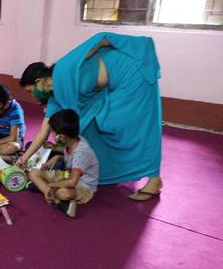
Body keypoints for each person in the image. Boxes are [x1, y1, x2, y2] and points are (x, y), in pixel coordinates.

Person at [16, 32, 163, 201]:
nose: (33, 95)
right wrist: (22, 160)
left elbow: (100, 41)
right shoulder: (56, 97)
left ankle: (154, 180)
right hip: (113, 87)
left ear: (38, 81)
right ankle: (113, 168)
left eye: (30, 90)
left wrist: (127, 47)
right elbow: (43, 132)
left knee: (135, 127)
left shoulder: (63, 69)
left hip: (130, 72)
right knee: (93, 127)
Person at [27, 109, 99, 218]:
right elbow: (70, 156)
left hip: (83, 187)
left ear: (61, 136)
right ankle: (51, 194)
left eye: (53, 132)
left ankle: (48, 191)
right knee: (33, 172)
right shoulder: (73, 141)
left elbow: (72, 183)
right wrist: (57, 157)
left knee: (63, 193)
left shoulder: (81, 151)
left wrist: (51, 185)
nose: (52, 134)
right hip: (67, 176)